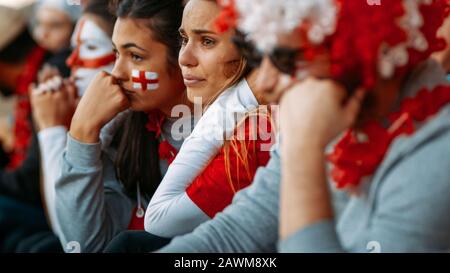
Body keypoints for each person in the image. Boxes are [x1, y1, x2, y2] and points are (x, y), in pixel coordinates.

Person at [155, 0, 450, 253]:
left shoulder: (438, 151)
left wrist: (303, 150)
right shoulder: (326, 111)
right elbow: (235, 234)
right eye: (260, 55)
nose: (266, 83)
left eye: (286, 59)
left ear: (361, 51)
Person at [53, 0, 191, 253]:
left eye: (136, 56)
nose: (117, 73)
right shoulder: (123, 131)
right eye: (117, 53)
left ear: (185, 57)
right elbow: (84, 245)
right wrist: (84, 130)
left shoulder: (225, 129)